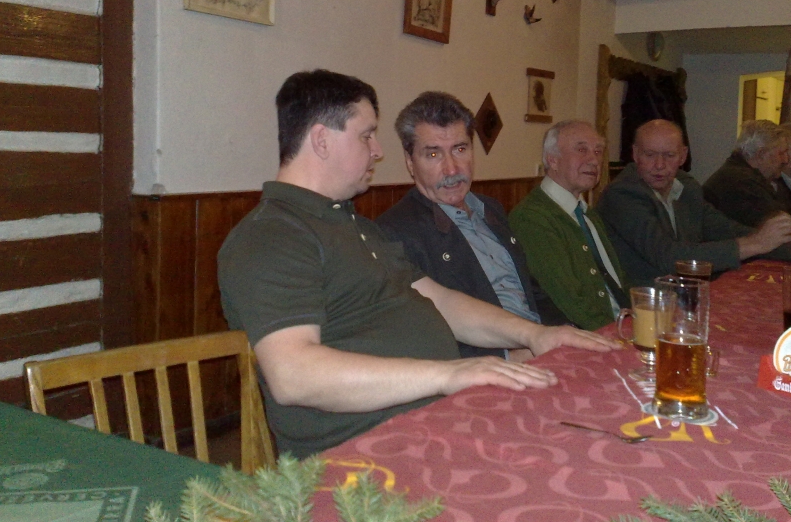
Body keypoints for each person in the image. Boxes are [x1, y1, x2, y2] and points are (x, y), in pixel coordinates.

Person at [218, 70, 617, 459]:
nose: (378, 150)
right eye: (366, 135)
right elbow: (293, 376)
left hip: (441, 418)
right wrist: (448, 374)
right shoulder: (272, 235)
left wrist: (536, 334)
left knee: (600, 431)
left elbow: (442, 301)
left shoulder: (356, 227)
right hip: (367, 451)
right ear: (322, 140)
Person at [376, 92, 569, 363]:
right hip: (489, 366)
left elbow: (531, 292)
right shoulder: (394, 232)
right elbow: (422, 333)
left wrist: (568, 331)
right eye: (433, 154)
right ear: (410, 162)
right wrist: (509, 356)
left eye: (460, 149)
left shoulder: (491, 209)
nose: (452, 169)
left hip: (543, 347)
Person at [597, 120, 791, 285]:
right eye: (650, 155)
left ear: (683, 156)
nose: (659, 165)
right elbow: (668, 257)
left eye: (669, 155)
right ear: (635, 154)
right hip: (642, 304)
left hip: (685, 294)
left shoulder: (686, 188)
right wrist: (755, 243)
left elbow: (725, 229)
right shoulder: (622, 195)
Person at [509, 120, 630, 331]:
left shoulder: (587, 214)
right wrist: (619, 336)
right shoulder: (532, 219)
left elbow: (618, 282)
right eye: (581, 150)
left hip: (622, 326)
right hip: (592, 336)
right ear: (552, 160)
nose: (594, 160)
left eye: (598, 151)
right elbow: (572, 303)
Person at [703, 120, 791, 228]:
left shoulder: (741, 175)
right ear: (761, 154)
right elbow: (780, 227)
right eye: (781, 153)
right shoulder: (741, 184)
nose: (785, 160)